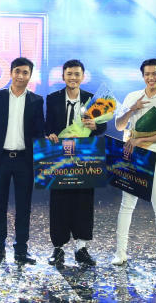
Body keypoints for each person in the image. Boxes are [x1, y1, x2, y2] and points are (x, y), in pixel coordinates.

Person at [111, 58, 156, 271]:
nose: (151, 77)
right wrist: (132, 109)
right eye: (147, 74)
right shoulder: (132, 96)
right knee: (127, 205)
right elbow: (119, 125)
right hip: (132, 157)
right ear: (143, 76)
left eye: (154, 73)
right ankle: (120, 252)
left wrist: (142, 140)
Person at [0, 57, 45, 265]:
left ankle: (21, 250)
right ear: (11, 73)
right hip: (0, 159)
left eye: (25, 72)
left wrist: (44, 150)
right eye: (17, 71)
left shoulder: (36, 100)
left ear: (30, 76)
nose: (20, 76)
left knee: (24, 207)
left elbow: (39, 132)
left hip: (25, 161)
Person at [45, 59, 106, 267]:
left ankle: (81, 248)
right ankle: (58, 248)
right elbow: (48, 126)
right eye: (69, 74)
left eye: (77, 74)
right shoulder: (53, 98)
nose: (73, 77)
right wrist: (50, 134)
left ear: (83, 76)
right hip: (59, 157)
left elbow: (103, 126)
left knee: (84, 201)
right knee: (58, 201)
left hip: (85, 157)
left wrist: (95, 126)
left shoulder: (92, 99)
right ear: (63, 76)